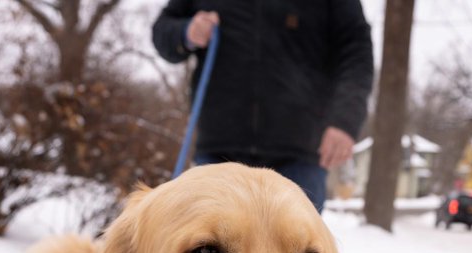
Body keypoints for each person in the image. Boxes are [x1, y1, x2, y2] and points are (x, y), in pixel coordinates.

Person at [152, 0, 374, 212]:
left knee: (294, 248)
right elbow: (163, 29)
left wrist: (345, 120)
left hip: (300, 154)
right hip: (218, 152)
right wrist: (187, 31)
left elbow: (356, 48)